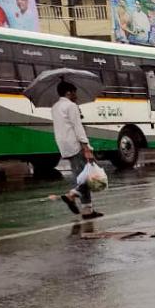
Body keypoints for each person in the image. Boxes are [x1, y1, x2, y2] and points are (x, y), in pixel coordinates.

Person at [53, 81, 102, 219]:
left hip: (64, 145)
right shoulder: (71, 106)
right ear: (68, 92)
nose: (76, 95)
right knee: (87, 176)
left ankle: (88, 210)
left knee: (82, 174)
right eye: (74, 92)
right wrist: (86, 147)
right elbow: (77, 128)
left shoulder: (55, 107)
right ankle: (71, 195)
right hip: (76, 144)